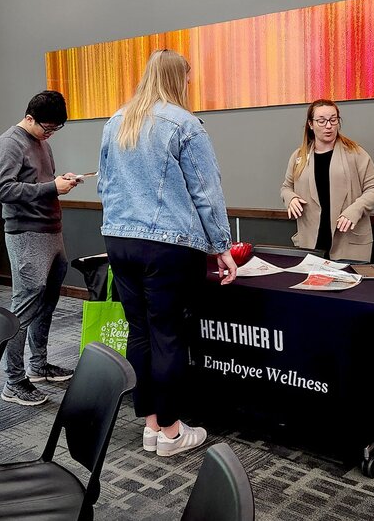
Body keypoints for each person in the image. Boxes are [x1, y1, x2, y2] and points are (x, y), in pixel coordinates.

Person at [98, 49, 237, 457]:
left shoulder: (116, 122)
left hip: (118, 242)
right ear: (179, 79)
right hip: (168, 246)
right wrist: (222, 248)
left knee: (139, 331)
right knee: (168, 335)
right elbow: (206, 193)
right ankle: (172, 433)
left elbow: (105, 187)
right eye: (188, 79)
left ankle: (151, 426)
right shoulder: (184, 124)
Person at [0, 90, 79, 406]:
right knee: (24, 307)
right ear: (29, 118)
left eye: (55, 130)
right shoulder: (8, 143)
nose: (49, 134)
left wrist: (60, 182)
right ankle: (13, 382)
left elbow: (41, 181)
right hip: (26, 234)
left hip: (51, 231)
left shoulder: (41, 142)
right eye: (46, 128)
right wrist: (50, 187)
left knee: (47, 303)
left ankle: (39, 365)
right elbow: (4, 190)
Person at [280, 99, 374, 262]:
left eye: (333, 120)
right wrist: (290, 198)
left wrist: (355, 209)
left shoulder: (355, 153)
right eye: (321, 121)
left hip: (348, 243)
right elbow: (286, 187)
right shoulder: (298, 156)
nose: (328, 126)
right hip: (311, 244)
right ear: (311, 124)